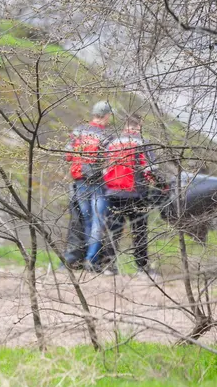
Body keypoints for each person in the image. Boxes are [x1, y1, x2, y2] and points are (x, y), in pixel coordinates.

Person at [101, 115, 159, 277]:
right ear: (138, 126)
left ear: (125, 126)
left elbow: (103, 167)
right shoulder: (143, 142)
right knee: (139, 231)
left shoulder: (112, 142)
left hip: (113, 192)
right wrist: (155, 184)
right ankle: (142, 268)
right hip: (136, 194)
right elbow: (151, 169)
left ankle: (109, 266)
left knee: (113, 230)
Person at [64, 100, 113, 270]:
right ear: (106, 116)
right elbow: (110, 162)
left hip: (79, 180)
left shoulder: (79, 131)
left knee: (86, 220)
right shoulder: (107, 136)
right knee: (98, 222)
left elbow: (67, 155)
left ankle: (82, 258)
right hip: (98, 183)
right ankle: (91, 261)